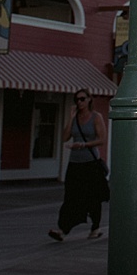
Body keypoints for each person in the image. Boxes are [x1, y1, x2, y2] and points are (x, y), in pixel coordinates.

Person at [49, 90, 108, 241]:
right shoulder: (75, 118)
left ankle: (95, 227)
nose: (80, 102)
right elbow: (64, 137)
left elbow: (102, 139)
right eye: (77, 100)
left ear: (89, 99)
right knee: (71, 196)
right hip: (75, 163)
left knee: (93, 197)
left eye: (82, 99)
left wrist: (84, 144)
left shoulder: (96, 117)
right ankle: (63, 228)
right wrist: (71, 117)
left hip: (90, 162)